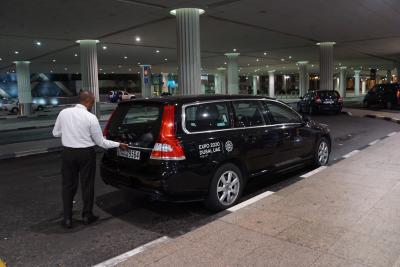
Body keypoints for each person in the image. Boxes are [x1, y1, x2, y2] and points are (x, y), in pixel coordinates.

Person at [53, 90, 128, 229]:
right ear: (88, 102)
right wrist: (119, 145)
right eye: (92, 102)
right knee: (87, 185)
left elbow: (55, 133)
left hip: (68, 153)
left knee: (68, 185)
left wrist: (70, 133)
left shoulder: (63, 113)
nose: (92, 105)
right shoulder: (91, 118)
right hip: (86, 154)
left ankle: (67, 219)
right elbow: (101, 142)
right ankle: (87, 215)